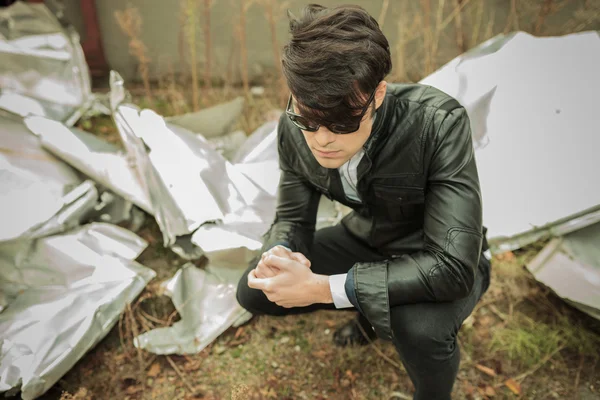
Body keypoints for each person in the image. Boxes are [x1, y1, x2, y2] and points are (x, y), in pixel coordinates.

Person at [236, 4, 491, 399]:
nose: (322, 138)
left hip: (437, 253)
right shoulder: (291, 126)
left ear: (378, 94)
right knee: (253, 290)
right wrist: (279, 252)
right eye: (309, 119)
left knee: (418, 329)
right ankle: (369, 316)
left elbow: (454, 266)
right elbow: (291, 216)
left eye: (343, 122)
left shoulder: (438, 122)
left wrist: (325, 288)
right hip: (366, 238)